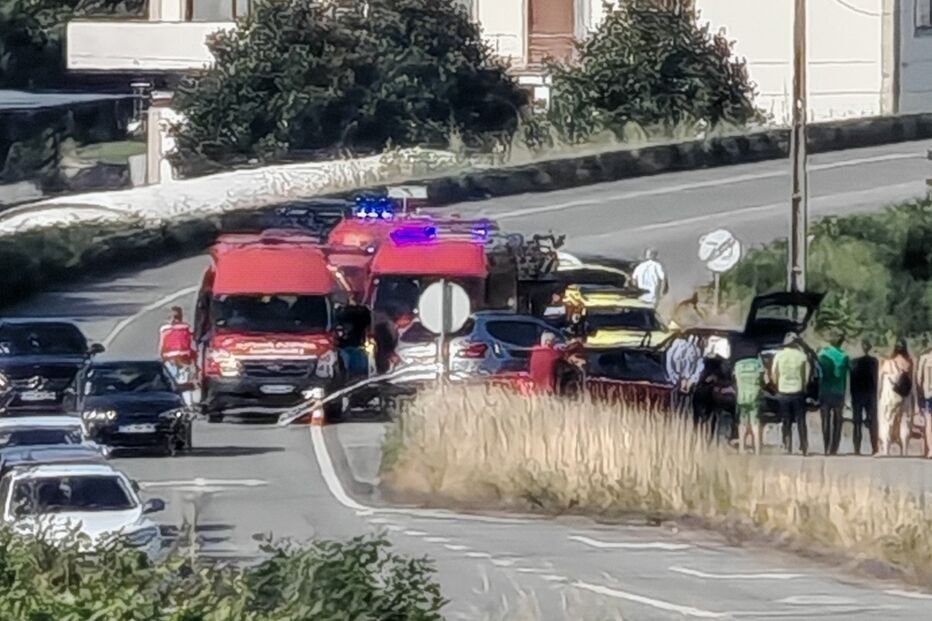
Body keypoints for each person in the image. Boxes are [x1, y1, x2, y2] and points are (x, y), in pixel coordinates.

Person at [771, 332, 810, 456]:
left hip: (783, 391)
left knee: (786, 419)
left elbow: (773, 373)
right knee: (800, 420)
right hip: (798, 391)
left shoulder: (778, 355)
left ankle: (787, 445)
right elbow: (806, 376)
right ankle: (804, 446)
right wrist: (804, 387)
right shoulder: (802, 356)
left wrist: (776, 385)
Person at [877, 338, 914, 456]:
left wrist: (879, 395)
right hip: (904, 396)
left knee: (886, 421)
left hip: (889, 396)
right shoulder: (909, 363)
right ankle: (904, 451)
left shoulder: (887, 363)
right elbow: (911, 382)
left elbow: (880, 381)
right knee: (905, 421)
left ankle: (886, 450)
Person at [817, 336, 850, 455]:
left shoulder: (822, 353)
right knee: (838, 421)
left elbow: (818, 373)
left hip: (825, 391)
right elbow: (846, 375)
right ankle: (834, 448)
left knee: (825, 420)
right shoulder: (844, 356)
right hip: (838, 391)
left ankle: (826, 447)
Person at [159, 306, 196, 406]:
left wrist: (162, 359)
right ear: (181, 317)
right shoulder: (186, 328)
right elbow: (191, 344)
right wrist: (193, 359)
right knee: (185, 383)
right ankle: (188, 404)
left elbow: (161, 346)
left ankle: (176, 403)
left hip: (169, 359)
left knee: (172, 383)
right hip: (183, 359)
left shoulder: (164, 329)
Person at [850, 340, 879, 455]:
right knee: (872, 422)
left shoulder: (854, 362)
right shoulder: (874, 362)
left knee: (857, 422)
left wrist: (851, 395)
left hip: (857, 394)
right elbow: (875, 379)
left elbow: (852, 381)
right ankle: (874, 447)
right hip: (870, 394)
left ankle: (857, 449)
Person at [733, 354, 765, 454]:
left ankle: (742, 448)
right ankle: (758, 449)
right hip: (754, 395)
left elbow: (734, 378)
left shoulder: (738, 364)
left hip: (742, 397)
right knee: (755, 422)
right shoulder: (757, 363)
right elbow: (764, 378)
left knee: (742, 422)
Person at [666, 333, 703, 414]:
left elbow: (669, 361)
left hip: (681, 343)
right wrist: (692, 380)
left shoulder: (674, 375)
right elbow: (700, 364)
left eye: (683, 388)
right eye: (686, 388)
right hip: (692, 344)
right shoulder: (693, 378)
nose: (685, 386)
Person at [915, 335, 932, 459]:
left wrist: (920, 394)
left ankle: (931, 450)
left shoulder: (925, 358)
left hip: (928, 394)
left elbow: (918, 379)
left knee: (928, 422)